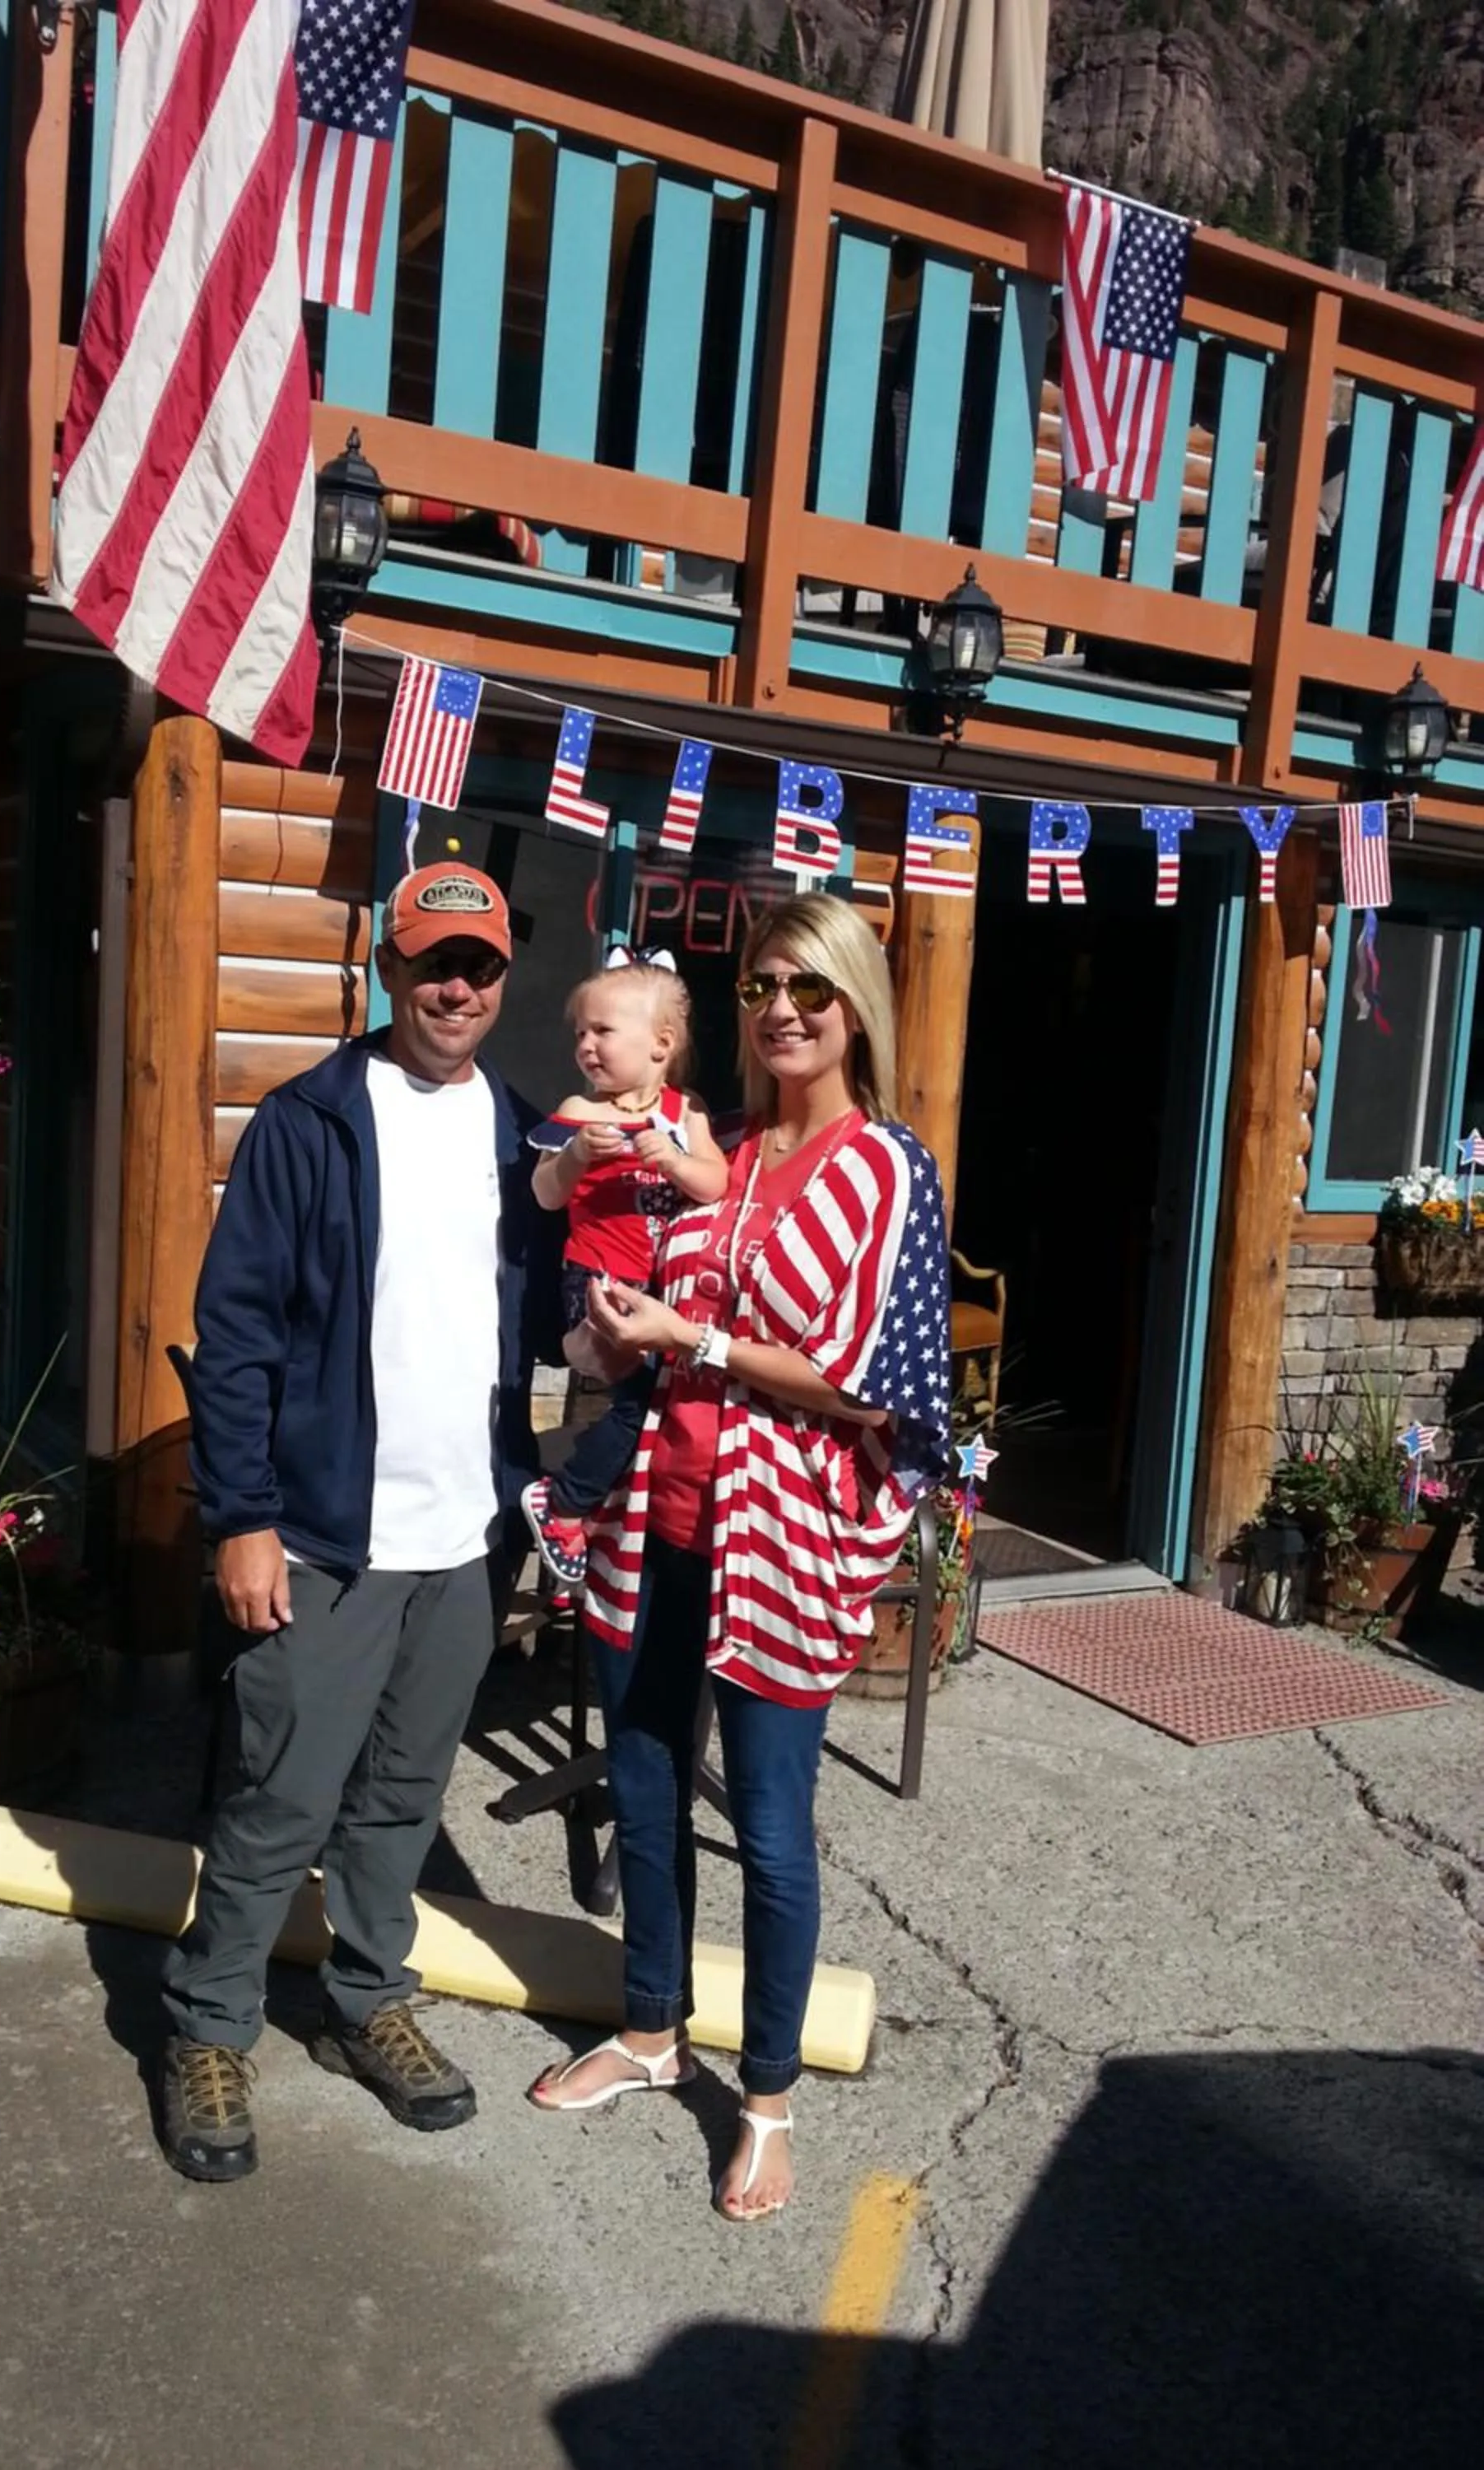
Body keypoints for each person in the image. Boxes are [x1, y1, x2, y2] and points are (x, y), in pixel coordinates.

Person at [525, 893, 951, 2223]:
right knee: (645, 1790)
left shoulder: (882, 1168)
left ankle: (765, 2101)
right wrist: (616, 1334)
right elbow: (640, 1295)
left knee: (769, 1831)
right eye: (762, 986)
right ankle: (652, 2029)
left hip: (782, 1539)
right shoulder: (727, 1150)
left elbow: (864, 1383)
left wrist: (690, 1338)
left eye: (808, 989)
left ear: (854, 1008)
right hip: (660, 1513)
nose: (780, 1010)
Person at [160, 860, 562, 2184]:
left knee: (400, 1798)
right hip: (328, 1537)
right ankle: (208, 2026)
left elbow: (556, 1322)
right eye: (434, 963)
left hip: (465, 1539)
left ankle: (364, 2001)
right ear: (391, 969)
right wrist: (242, 1519)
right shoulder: (309, 1121)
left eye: (479, 967)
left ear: (503, 980)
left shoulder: (524, 1141)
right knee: (280, 1797)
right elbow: (235, 1339)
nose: (456, 988)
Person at [522, 951, 728, 1585]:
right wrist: (576, 1156)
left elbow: (716, 1182)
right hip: (599, 1281)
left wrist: (674, 1161)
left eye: (603, 1031)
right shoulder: (582, 1112)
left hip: (665, 1292)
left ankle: (596, 1517)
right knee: (640, 1404)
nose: (586, 1046)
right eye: (580, 1033)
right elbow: (545, 1194)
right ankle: (564, 1503)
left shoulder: (685, 1112)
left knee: (660, 1410)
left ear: (661, 1044)